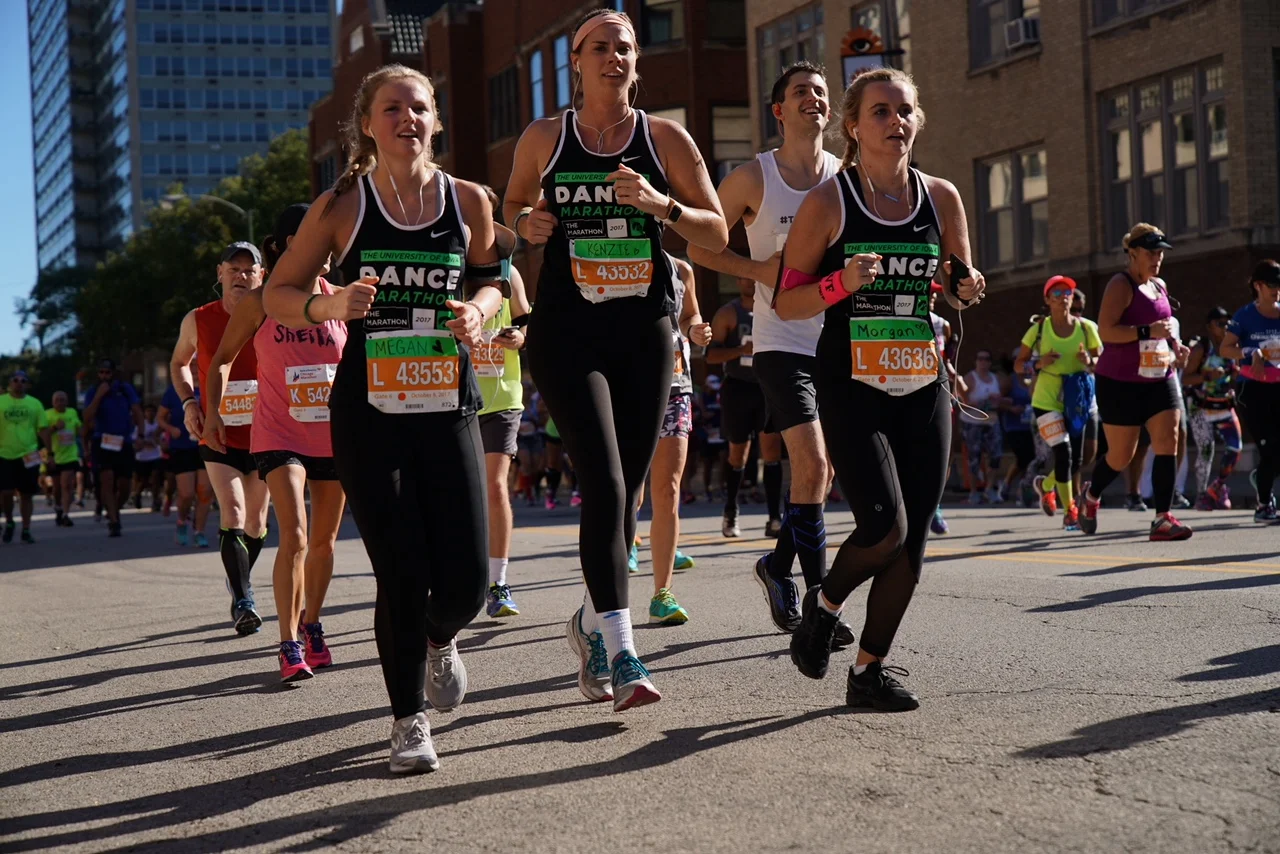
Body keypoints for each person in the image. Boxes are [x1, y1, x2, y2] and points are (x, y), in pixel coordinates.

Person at [264, 64, 504, 772]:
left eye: (420, 107)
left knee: (465, 582)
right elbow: (279, 292)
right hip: (369, 413)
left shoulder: (467, 200)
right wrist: (327, 306)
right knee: (399, 571)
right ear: (367, 123)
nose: (408, 118)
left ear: (436, 120)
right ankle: (407, 720)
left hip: (448, 401)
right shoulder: (342, 204)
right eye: (392, 107)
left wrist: (479, 310)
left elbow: (499, 276)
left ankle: (438, 637)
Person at [504, 9, 727, 712]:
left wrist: (664, 206)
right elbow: (511, 209)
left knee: (624, 491)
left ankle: (588, 622)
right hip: (567, 331)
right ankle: (625, 651)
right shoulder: (546, 137)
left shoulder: (666, 139)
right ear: (576, 62)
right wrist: (526, 224)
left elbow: (717, 230)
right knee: (602, 479)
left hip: (644, 332)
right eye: (598, 46)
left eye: (622, 47)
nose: (611, 56)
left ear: (637, 62)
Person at [775, 67, 986, 711]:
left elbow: (956, 280)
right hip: (852, 379)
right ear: (854, 126)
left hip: (921, 381)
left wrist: (967, 287)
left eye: (905, 111)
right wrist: (844, 283)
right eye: (880, 112)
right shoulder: (829, 202)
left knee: (913, 541)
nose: (895, 122)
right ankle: (824, 606)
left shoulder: (941, 196)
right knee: (883, 526)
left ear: (917, 121)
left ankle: (867, 671)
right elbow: (787, 301)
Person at [688, 61, 840, 626]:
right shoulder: (755, 177)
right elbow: (699, 244)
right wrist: (756, 269)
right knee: (813, 462)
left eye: (821, 93)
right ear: (779, 110)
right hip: (779, 344)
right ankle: (822, 599)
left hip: (838, 344)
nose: (814, 99)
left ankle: (779, 566)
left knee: (819, 475)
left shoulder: (844, 175)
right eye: (801, 92)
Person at [202, 203, 349, 682]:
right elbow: (222, 359)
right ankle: (288, 644)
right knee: (298, 535)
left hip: (334, 433)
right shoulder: (261, 301)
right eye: (317, 236)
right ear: (289, 244)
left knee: (325, 543)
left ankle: (312, 626)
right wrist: (214, 414)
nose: (327, 247)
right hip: (279, 432)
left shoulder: (344, 299)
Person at [170, 241, 272, 633]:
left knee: (257, 522)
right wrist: (189, 403)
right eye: (234, 269)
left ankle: (238, 580)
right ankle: (245, 600)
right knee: (232, 511)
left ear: (261, 275)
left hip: (266, 431)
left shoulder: (272, 314)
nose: (241, 277)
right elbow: (179, 361)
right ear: (220, 273)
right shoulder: (198, 319)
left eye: (249, 270)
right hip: (218, 431)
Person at [1077, 224, 1191, 540]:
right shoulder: (1120, 284)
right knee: (1120, 455)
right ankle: (1091, 495)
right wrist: (1146, 332)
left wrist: (1175, 346)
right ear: (1133, 253)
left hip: (1160, 376)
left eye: (1160, 253)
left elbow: (1163, 329)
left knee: (1169, 438)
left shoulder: (1160, 285)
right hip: (1120, 382)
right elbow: (1107, 331)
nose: (1157, 258)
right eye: (1151, 252)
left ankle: (1162, 518)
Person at [643, 256, 712, 624]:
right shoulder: (611, 254)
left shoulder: (681, 269)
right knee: (629, 492)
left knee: (668, 489)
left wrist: (697, 329)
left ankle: (661, 594)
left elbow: (691, 317)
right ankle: (607, 596)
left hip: (675, 387)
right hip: (627, 389)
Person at [474, 187, 531, 619]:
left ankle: (499, 582)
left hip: (502, 394)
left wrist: (518, 337)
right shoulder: (450, 269)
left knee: (495, 487)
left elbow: (527, 322)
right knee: (461, 493)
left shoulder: (509, 272)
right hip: (450, 396)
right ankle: (463, 576)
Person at [1014, 276, 1102, 532]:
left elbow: (1101, 362)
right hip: (1047, 400)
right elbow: (1019, 365)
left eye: (1068, 292)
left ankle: (1047, 485)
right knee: (1063, 452)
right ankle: (1070, 511)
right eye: (1057, 292)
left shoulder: (1087, 328)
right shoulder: (1039, 329)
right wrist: (1039, 364)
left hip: (1079, 400)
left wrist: (1090, 361)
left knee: (1080, 459)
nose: (1064, 296)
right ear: (1047, 300)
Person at [704, 277, 778, 538]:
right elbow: (710, 355)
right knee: (738, 453)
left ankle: (774, 518)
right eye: (746, 278)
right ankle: (731, 511)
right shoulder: (728, 313)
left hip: (767, 387)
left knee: (771, 450)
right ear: (737, 281)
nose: (751, 283)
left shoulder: (773, 309)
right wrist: (740, 350)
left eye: (756, 279)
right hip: (738, 387)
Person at [1219, 259, 1280, 523]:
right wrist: (1249, 351)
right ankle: (1263, 506)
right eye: (1271, 284)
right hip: (1253, 390)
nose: (1277, 289)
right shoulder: (1244, 316)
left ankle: (1261, 479)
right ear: (1257, 286)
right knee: (1269, 449)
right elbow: (1224, 349)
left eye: (1279, 284)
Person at [1183, 307, 1240, 511]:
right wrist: (1207, 376)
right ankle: (1201, 495)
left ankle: (1218, 487)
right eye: (1220, 323)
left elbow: (1235, 375)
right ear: (1209, 326)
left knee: (1235, 448)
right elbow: (1185, 379)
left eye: (1228, 324)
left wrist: (1236, 377)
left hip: (1224, 405)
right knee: (1206, 449)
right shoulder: (1201, 348)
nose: (1225, 328)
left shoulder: (1233, 347)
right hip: (1200, 407)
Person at [82, 359, 144, 538]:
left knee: (125, 486)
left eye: (107, 373)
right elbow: (86, 418)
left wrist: (140, 435)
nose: (103, 376)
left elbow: (137, 412)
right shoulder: (93, 392)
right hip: (101, 441)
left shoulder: (125, 389)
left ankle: (113, 510)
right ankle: (115, 521)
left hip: (123, 442)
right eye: (100, 372)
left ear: (113, 373)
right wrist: (99, 396)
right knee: (107, 480)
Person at [158, 383, 212, 547]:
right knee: (187, 493)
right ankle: (182, 521)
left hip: (205, 445)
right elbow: (160, 418)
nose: (195, 368)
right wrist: (171, 429)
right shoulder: (175, 390)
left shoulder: (209, 385)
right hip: (182, 447)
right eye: (192, 363)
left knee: (205, 492)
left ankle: (199, 532)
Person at [0, 371, 50, 544]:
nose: (19, 383)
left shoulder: (35, 404)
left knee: (26, 494)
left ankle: (26, 529)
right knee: (5, 492)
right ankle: (9, 521)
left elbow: (42, 429)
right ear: (9, 384)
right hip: (4, 454)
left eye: (23, 381)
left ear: (27, 385)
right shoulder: (1, 402)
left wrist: (49, 452)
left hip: (29, 454)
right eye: (15, 380)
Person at [929, 284, 960, 532]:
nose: (933, 296)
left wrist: (953, 374)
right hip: (907, 392)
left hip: (940, 393)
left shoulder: (943, 324)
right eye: (927, 290)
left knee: (942, 451)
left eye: (935, 292)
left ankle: (935, 506)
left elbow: (948, 357)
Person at [960, 349, 1005, 505]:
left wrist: (998, 401)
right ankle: (974, 492)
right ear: (976, 361)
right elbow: (960, 402)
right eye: (980, 359)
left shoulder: (995, 379)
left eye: (986, 359)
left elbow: (1001, 400)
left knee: (996, 456)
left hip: (992, 422)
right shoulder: (969, 378)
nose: (983, 362)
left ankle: (990, 489)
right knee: (974, 458)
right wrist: (982, 402)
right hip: (973, 423)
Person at [997, 355, 1035, 508]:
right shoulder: (1010, 381)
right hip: (1014, 426)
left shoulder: (1035, 378)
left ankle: (1021, 490)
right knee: (1022, 457)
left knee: (1031, 459)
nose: (1026, 365)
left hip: (1031, 426)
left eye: (1029, 362)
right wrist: (1011, 408)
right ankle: (1009, 484)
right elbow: (998, 402)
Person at [45, 391, 82, 528]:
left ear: (67, 402)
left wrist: (80, 430)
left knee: (67, 485)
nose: (60, 402)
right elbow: (42, 434)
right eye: (57, 400)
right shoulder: (47, 414)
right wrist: (55, 428)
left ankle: (66, 514)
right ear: (53, 402)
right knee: (56, 489)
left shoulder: (72, 412)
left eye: (62, 400)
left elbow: (78, 428)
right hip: (54, 456)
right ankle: (59, 508)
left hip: (70, 455)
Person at [131, 404, 165, 512]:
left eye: (152, 412)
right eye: (148, 411)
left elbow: (162, 440)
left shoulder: (158, 426)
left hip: (155, 456)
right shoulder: (140, 426)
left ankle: (156, 501)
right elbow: (134, 441)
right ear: (144, 413)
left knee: (155, 478)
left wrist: (158, 442)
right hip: (142, 458)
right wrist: (140, 444)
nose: (150, 414)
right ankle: (137, 495)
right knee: (143, 481)